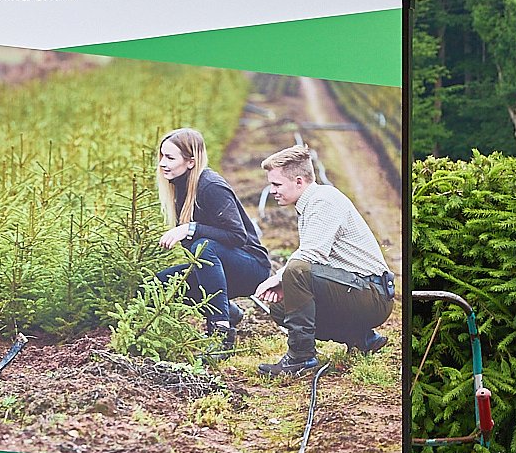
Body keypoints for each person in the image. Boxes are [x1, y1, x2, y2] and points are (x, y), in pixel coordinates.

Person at [254, 144, 393, 377]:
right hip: (354, 288)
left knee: (296, 271)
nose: (272, 191)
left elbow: (312, 255)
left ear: (299, 181)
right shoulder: (309, 204)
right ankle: (361, 338)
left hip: (373, 293)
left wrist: (277, 278)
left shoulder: (324, 201)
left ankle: (301, 357)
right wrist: (287, 285)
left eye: (277, 184)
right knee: (281, 308)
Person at [155, 127, 271, 346]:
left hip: (251, 267)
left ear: (191, 161)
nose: (162, 163)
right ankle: (230, 312)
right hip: (220, 265)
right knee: (160, 283)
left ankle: (221, 331)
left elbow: (237, 236)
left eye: (170, 158)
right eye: (162, 156)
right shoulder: (180, 186)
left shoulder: (211, 187)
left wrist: (190, 228)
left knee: (203, 247)